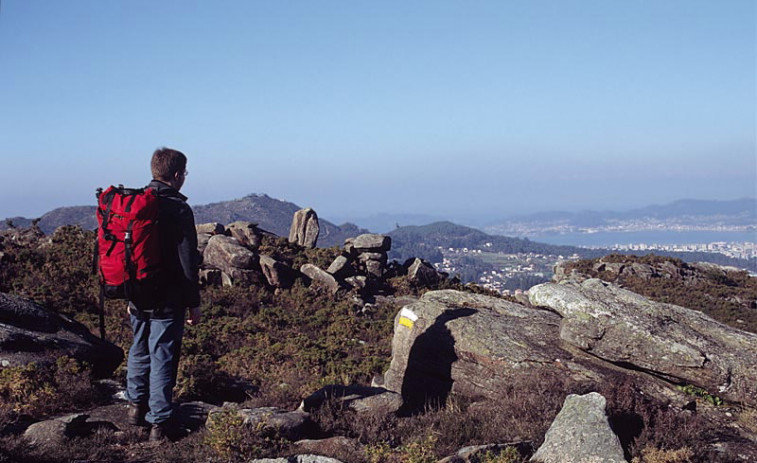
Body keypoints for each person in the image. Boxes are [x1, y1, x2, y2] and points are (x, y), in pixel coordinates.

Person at [125, 147, 202, 441]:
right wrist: (193, 302)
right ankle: (159, 424)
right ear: (178, 175)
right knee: (163, 355)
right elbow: (187, 262)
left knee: (139, 346)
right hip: (168, 296)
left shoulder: (136, 202)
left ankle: (135, 407)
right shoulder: (178, 208)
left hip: (138, 291)